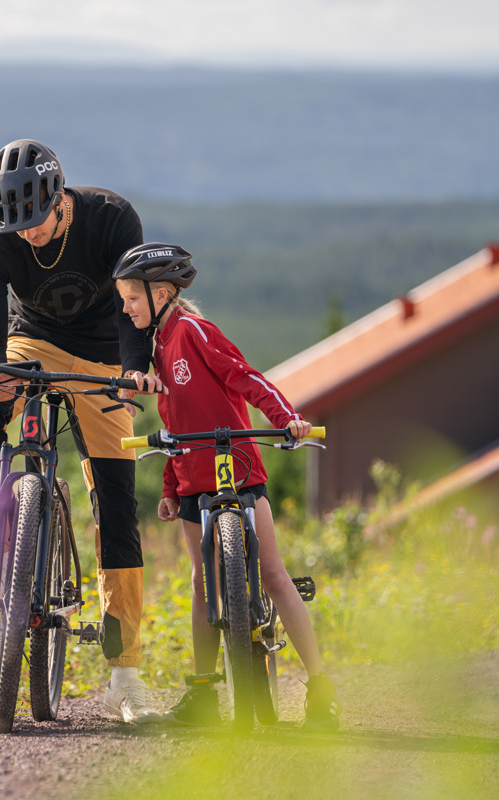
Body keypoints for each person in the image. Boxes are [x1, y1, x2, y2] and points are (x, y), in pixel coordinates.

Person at [0, 139, 161, 724]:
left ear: (60, 199)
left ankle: (126, 677)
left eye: (36, 221)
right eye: (14, 225)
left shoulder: (111, 218)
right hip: (32, 345)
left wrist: (131, 370)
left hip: (104, 358)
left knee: (117, 502)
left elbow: (133, 309)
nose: (27, 235)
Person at [112, 242, 340, 729]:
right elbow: (175, 421)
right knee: (200, 582)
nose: (126, 307)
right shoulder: (158, 346)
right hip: (193, 482)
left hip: (238, 470)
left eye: (132, 297)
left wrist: (287, 419)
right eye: (124, 298)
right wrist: (171, 486)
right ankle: (202, 695)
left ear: (164, 293)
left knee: (275, 576)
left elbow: (245, 378)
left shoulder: (193, 331)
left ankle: (321, 686)